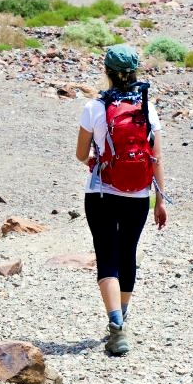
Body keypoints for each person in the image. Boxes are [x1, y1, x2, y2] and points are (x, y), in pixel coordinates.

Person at [75, 43, 169, 357]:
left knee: (107, 256)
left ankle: (116, 326)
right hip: (139, 193)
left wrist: (95, 158)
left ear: (107, 72)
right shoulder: (147, 108)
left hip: (101, 191)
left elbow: (79, 154)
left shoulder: (94, 107)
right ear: (134, 72)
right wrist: (161, 200)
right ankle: (122, 319)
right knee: (128, 253)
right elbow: (156, 158)